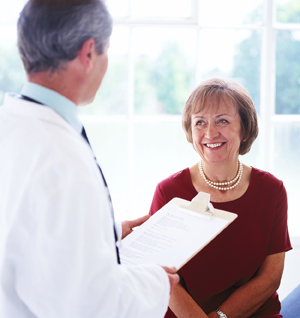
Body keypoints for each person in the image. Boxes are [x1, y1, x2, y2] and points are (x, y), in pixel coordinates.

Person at [0, 0, 179, 317]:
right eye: (107, 51)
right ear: (88, 53)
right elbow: (90, 305)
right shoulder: (62, 158)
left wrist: (110, 230)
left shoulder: (12, 124)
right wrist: (156, 282)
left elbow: (25, 229)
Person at [149, 78, 292, 318]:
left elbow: (270, 277)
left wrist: (219, 317)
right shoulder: (168, 192)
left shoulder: (272, 190)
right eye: (200, 122)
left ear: (244, 129)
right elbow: (161, 277)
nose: (209, 133)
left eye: (222, 121)